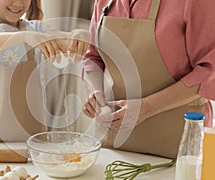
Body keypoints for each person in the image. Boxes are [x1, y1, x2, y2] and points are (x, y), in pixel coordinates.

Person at [83, 0, 215, 158]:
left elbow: (209, 71)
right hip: (117, 146)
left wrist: (146, 107)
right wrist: (95, 91)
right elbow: (93, 57)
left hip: (180, 148)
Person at [0, 0, 90, 142]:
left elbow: (68, 42)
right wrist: (23, 37)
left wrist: (80, 35)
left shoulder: (36, 30)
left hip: (31, 146)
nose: (18, 2)